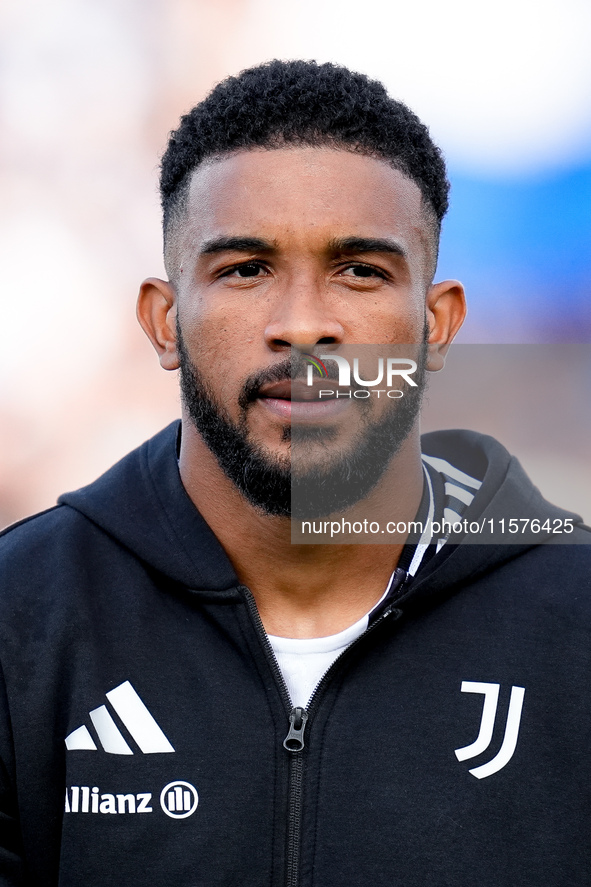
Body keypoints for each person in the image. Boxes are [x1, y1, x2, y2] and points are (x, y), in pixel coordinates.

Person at [0, 60, 589, 887]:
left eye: (360, 271)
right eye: (244, 269)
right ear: (165, 321)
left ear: (436, 324)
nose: (304, 326)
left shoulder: (574, 623)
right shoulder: (19, 619)